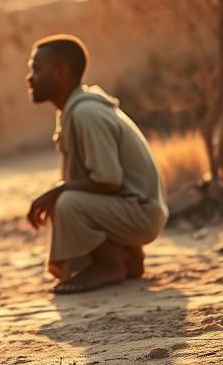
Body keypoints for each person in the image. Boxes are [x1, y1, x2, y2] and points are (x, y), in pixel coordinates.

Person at [24, 34, 168, 294]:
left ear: (60, 72)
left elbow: (108, 181)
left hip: (142, 215)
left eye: (36, 69)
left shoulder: (85, 113)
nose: (30, 77)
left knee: (66, 203)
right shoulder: (75, 110)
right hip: (135, 210)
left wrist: (57, 191)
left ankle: (109, 264)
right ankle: (128, 256)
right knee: (68, 197)